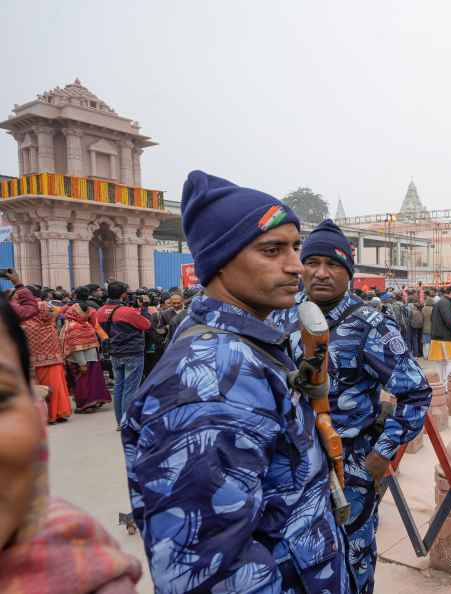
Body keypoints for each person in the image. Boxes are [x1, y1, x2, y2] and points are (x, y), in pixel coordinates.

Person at [122, 171, 349, 593]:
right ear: (221, 257)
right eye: (272, 250)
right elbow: (211, 574)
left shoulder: (247, 346)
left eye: (295, 247)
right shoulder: (210, 383)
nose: (296, 265)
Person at [292, 219, 432, 594]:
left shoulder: (370, 325)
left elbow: (417, 393)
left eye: (333, 265)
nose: (321, 273)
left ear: (349, 273)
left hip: (348, 469)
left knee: (352, 565)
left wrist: (381, 454)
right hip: (293, 470)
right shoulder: (287, 318)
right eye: (313, 262)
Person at [0, 296, 143, 593]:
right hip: (106, 357)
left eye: (1, 397)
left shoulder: (82, 549)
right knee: (127, 388)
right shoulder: (123, 313)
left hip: (94, 359)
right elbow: (144, 326)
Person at [96, 282, 151, 427]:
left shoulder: (100, 311)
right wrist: (144, 308)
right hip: (132, 353)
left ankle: (120, 422)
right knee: (131, 389)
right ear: (123, 295)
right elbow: (146, 325)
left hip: (115, 353)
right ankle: (129, 423)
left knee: (119, 388)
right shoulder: (126, 311)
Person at [19, 288, 72, 424]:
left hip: (31, 353)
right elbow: (59, 312)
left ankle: (41, 415)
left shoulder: (19, 310)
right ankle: (56, 413)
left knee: (37, 386)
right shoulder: (43, 305)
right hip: (50, 353)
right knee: (56, 385)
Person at [61, 288, 111, 414]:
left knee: (83, 383)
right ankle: (95, 401)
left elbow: (77, 347)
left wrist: (82, 363)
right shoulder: (86, 324)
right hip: (92, 357)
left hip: (81, 360)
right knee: (93, 381)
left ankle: (85, 405)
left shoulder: (72, 326)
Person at [430, 284, 451, 377]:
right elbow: (449, 321)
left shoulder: (441, 302)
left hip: (437, 337)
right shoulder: (446, 303)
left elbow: (432, 319)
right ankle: (447, 386)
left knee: (440, 363)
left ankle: (442, 385)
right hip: (446, 338)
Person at [422, 290, 434, 358]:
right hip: (432, 328)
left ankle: (425, 355)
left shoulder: (423, 308)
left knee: (425, 343)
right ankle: (430, 355)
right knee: (430, 343)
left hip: (424, 327)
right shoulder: (434, 309)